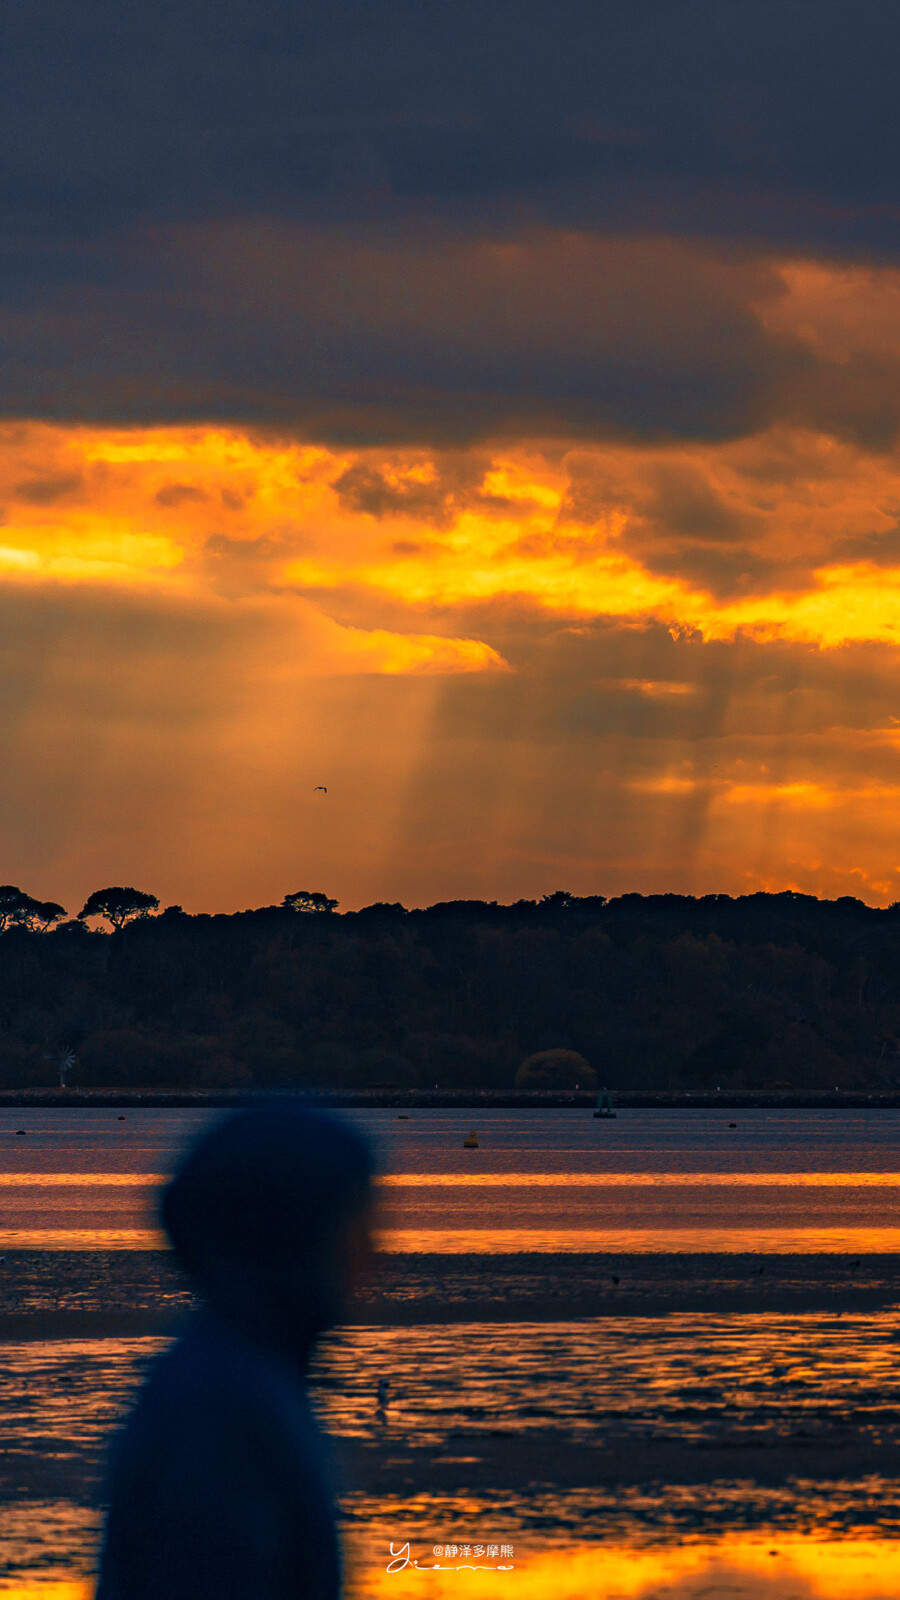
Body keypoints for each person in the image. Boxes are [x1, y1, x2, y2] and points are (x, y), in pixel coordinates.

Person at [95, 1103, 374, 1600]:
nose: (374, 1249)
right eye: (356, 1220)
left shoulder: (241, 1371)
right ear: (295, 1230)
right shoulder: (220, 1406)